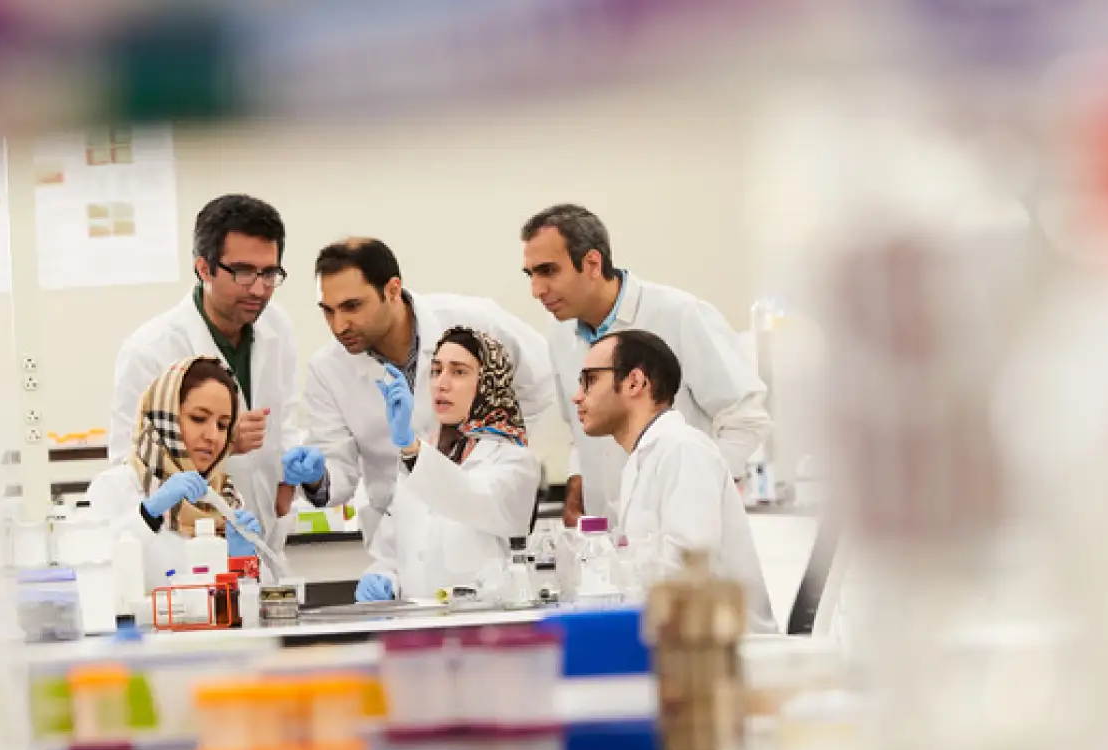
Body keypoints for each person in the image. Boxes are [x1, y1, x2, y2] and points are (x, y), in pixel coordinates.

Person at [521, 203, 771, 526]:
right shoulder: (559, 335)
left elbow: (747, 418)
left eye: (548, 271)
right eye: (531, 275)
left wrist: (696, 493)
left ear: (593, 263)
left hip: (685, 535)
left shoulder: (680, 315)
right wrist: (577, 480)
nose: (536, 290)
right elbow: (579, 429)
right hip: (608, 542)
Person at [109, 194, 327, 550]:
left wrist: (295, 476)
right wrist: (224, 444)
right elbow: (128, 468)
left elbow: (283, 421)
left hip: (263, 539)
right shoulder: (149, 351)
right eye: (242, 273)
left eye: (269, 273)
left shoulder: (277, 326)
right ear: (204, 268)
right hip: (184, 552)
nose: (259, 289)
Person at [300, 237, 553, 542]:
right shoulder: (327, 369)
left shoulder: (473, 319)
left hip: (482, 525)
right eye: (328, 311)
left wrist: (495, 448)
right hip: (399, 537)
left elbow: (540, 378)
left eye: (352, 307)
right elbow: (338, 474)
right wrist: (316, 478)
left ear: (392, 290)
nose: (339, 326)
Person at [572, 329, 776, 632]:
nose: (577, 396)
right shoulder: (644, 457)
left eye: (590, 380)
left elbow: (688, 569)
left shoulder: (684, 450)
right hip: (674, 638)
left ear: (635, 382)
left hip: (722, 651)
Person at [355, 326, 539, 601]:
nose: (441, 383)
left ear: (488, 383)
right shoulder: (421, 455)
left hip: (481, 628)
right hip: (414, 627)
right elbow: (395, 550)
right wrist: (383, 576)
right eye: (436, 370)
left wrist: (411, 448)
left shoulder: (513, 460)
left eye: (459, 371)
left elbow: (472, 499)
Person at [89, 357, 264, 592]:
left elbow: (250, 605)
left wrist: (243, 565)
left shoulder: (225, 497)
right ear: (165, 416)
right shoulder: (115, 488)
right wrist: (147, 515)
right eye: (198, 419)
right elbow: (96, 577)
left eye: (223, 425)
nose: (212, 436)